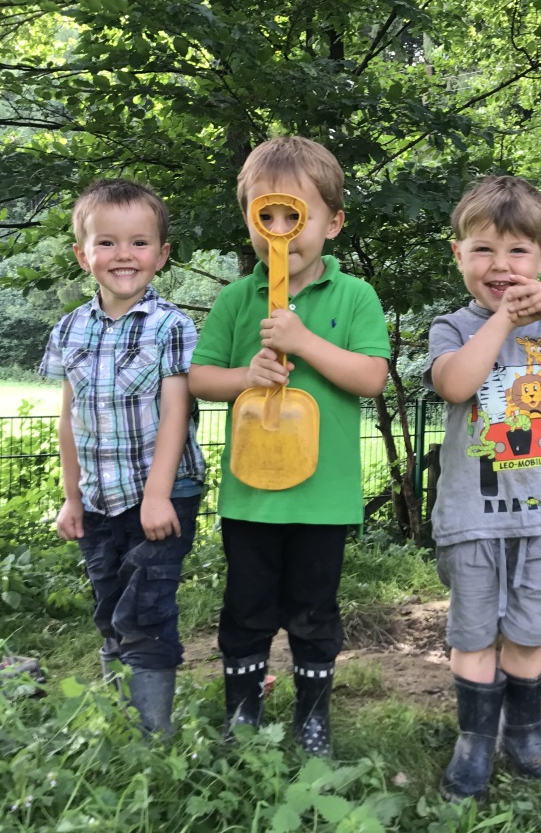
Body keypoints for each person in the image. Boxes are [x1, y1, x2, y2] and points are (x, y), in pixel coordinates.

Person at [189, 136, 390, 757]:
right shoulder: (234, 297)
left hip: (323, 502)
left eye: (294, 217)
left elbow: (372, 378)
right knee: (244, 611)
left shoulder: (354, 296)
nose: (281, 232)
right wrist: (245, 377)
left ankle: (313, 719)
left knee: (313, 614)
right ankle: (242, 715)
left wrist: (302, 341)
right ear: (249, 218)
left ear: (333, 222)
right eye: (265, 216)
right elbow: (200, 378)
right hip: (250, 496)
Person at [424, 175, 541, 801]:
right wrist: (503, 318)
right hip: (472, 515)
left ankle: (524, 735)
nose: (500, 266)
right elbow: (456, 384)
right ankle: (474, 743)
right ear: (458, 256)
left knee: (531, 632)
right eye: (483, 250)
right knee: (474, 633)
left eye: (517, 252)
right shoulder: (452, 327)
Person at [39, 178, 206, 736]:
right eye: (106, 242)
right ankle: (120, 723)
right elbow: (68, 418)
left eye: (138, 242)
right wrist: (70, 497)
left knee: (146, 614)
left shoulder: (172, 326)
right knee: (110, 607)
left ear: (161, 254)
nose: (122, 255)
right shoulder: (69, 329)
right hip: (98, 499)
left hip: (162, 497)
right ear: (82, 254)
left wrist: (158, 496)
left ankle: (152, 740)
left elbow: (177, 415)